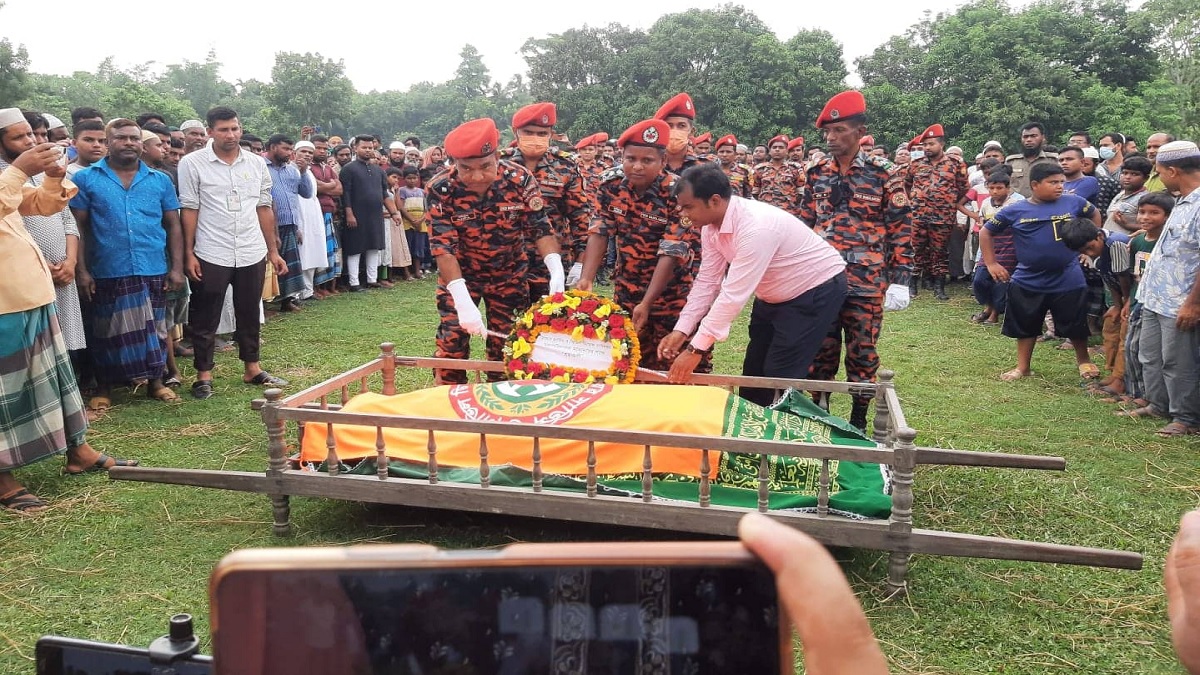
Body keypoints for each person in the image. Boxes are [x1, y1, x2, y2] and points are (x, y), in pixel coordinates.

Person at [0, 109, 138, 514]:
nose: (30, 142)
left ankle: (78, 451)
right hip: (4, 304)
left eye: (32, 135)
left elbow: (39, 206)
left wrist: (54, 176)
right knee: (7, 394)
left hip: (32, 294)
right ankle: (4, 479)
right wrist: (21, 169)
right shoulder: (9, 174)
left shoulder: (11, 175)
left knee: (55, 382)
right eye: (20, 137)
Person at [659, 163, 848, 407]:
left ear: (714, 201)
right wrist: (682, 330)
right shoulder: (710, 226)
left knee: (778, 374)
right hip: (772, 293)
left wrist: (695, 350)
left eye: (688, 206)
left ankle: (778, 439)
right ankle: (750, 434)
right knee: (753, 373)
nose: (682, 213)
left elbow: (732, 296)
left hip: (814, 289)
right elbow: (707, 281)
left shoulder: (756, 227)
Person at [799, 90, 912, 430]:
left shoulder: (884, 173)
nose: (832, 138)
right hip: (822, 278)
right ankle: (819, 415)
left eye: (840, 131)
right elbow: (804, 224)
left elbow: (900, 227)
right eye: (828, 133)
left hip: (865, 280)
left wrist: (901, 280)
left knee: (863, 353)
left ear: (860, 131)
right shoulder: (816, 172)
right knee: (820, 351)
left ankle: (859, 423)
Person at [428, 118, 562, 383]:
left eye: (485, 167)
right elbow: (443, 247)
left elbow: (540, 228)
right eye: (466, 168)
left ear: (497, 156)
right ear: (453, 163)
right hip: (460, 278)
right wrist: (463, 300)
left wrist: (555, 267)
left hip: (508, 277)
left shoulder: (519, 179)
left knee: (507, 349)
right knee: (452, 345)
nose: (476, 176)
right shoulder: (441, 188)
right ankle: (446, 405)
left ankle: (501, 407)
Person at [70, 119, 185, 407]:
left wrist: (177, 268)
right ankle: (104, 389)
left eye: (134, 138)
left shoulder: (160, 180)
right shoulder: (86, 179)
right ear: (109, 142)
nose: (129, 143)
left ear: (141, 143)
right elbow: (78, 228)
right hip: (106, 267)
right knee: (106, 331)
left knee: (155, 329)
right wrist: (81, 270)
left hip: (152, 265)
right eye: (121, 138)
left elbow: (173, 225)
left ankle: (155, 383)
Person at [178, 106, 289, 400]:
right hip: (211, 249)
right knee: (206, 314)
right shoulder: (192, 163)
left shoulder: (255, 163)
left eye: (235, 128)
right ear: (210, 131)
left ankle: (252, 368)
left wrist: (272, 251)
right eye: (224, 129)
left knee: (250, 311)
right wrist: (188, 253)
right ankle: (204, 375)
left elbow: (264, 207)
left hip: (251, 249)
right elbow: (190, 208)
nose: (231, 135)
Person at [575, 119, 702, 373]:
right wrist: (586, 278)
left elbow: (672, 251)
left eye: (647, 160)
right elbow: (600, 231)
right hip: (627, 288)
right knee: (629, 360)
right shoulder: (610, 187)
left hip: (673, 292)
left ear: (663, 161)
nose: (637, 166)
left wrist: (647, 302)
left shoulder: (679, 191)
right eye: (631, 158)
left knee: (671, 362)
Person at [979, 162, 1102, 382]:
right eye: (1053, 182)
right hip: (1028, 277)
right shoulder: (1015, 210)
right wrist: (991, 263)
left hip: (1068, 275)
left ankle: (1083, 360)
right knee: (1026, 323)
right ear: (1035, 185)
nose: (1059, 187)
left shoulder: (1074, 202)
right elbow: (986, 232)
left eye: (1061, 182)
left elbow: (1094, 215)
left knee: (1075, 322)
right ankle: (1023, 367)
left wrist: (1088, 249)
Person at [1134, 140, 1200, 437]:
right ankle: (1157, 403)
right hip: (1154, 296)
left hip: (1180, 301)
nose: (1159, 178)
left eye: (1160, 172)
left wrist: (1193, 303)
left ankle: (1185, 418)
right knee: (1151, 355)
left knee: (1179, 361)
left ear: (1173, 171)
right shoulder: (1183, 201)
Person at [500, 102, 593, 298]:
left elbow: (581, 219)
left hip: (553, 263)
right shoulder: (499, 166)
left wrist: (580, 263)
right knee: (507, 325)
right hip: (507, 263)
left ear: (551, 134)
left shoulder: (565, 167)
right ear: (515, 132)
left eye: (542, 134)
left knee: (548, 323)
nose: (535, 138)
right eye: (529, 132)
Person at [1114, 192, 1173, 416]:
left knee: (1146, 350)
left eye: (1154, 213)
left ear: (1168, 217)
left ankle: (1147, 396)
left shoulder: (1165, 242)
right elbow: (1131, 275)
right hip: (1138, 299)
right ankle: (1136, 392)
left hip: (1157, 301)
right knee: (1131, 347)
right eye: (1142, 212)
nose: (1145, 217)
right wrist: (1127, 300)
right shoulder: (1137, 240)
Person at [1060, 218, 1132, 396]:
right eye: (1083, 251)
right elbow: (1109, 278)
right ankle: (1114, 373)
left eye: (1089, 248)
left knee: (1125, 334)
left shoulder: (1116, 244)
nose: (1088, 253)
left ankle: (1121, 380)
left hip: (1134, 295)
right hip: (1121, 297)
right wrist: (1116, 306)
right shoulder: (1097, 252)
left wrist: (1126, 302)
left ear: (1099, 235)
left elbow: (1124, 277)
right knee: (1110, 324)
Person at [904, 123, 970, 300]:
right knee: (916, 250)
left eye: (931, 144)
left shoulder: (955, 164)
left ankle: (938, 287)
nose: (927, 148)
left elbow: (964, 188)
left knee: (940, 252)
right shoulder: (916, 164)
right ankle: (912, 285)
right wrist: (914, 201)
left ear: (941, 144)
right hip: (918, 216)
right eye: (925, 144)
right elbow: (907, 185)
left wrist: (947, 200)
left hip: (943, 216)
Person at [341, 135, 403, 291]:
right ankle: (354, 282)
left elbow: (384, 194)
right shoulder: (348, 169)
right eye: (364, 147)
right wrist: (349, 213)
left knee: (374, 246)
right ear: (355, 148)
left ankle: (372, 279)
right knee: (355, 247)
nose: (368, 150)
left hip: (375, 214)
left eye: (370, 147)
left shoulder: (378, 171)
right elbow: (345, 193)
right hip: (356, 214)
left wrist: (394, 213)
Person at [265, 134, 313, 310]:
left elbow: (306, 193)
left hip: (290, 223)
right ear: (272, 147)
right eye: (285, 149)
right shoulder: (261, 167)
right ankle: (264, 303)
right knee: (267, 264)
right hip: (268, 223)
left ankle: (287, 300)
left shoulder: (292, 169)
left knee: (289, 265)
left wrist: (304, 171)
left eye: (291, 149)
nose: (289, 153)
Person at [970, 171, 1023, 325]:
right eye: (991, 188)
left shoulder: (1016, 204)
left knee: (1000, 282)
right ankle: (988, 307)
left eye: (999, 188)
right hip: (990, 247)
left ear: (1008, 188)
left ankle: (994, 314)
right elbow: (982, 223)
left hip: (1009, 248)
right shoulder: (986, 203)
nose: (995, 191)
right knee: (979, 280)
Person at [308, 135, 343, 298]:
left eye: (325, 148)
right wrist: (329, 185)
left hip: (328, 212)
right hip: (313, 213)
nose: (322, 151)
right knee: (314, 249)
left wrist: (324, 187)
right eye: (318, 148)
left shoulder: (327, 168)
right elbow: (313, 187)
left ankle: (324, 285)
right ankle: (313, 288)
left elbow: (339, 190)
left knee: (328, 250)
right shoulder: (306, 167)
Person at [752, 134, 806, 215]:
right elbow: (755, 192)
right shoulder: (759, 169)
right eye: (774, 147)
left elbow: (801, 193)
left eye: (781, 147)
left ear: (787, 151)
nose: (777, 150)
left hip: (788, 212)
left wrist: (789, 204)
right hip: (765, 213)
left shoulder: (795, 169)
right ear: (769, 151)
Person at [1005, 122, 1059, 197]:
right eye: (1025, 137)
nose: (1029, 140)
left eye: (1033, 136)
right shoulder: (1011, 161)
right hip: (1017, 206)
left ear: (1043, 137)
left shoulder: (1053, 160)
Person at [653, 93, 702, 174]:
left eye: (681, 126)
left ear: (691, 131)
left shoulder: (703, 169)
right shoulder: (650, 167)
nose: (675, 131)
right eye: (669, 126)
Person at [1103, 156, 1152, 234]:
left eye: (1134, 174)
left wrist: (1127, 225)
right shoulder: (1120, 195)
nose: (1127, 177)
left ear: (1146, 178)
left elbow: (1153, 227)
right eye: (1125, 173)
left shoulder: (1146, 199)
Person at [397, 166, 427, 280]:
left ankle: (417, 271)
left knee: (419, 246)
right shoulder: (402, 191)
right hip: (407, 222)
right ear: (404, 179)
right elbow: (401, 207)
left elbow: (426, 208)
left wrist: (420, 220)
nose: (412, 180)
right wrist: (412, 219)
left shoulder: (422, 192)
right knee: (407, 246)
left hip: (420, 222)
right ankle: (407, 272)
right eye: (409, 178)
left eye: (414, 178)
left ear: (418, 178)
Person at [714, 134, 753, 199]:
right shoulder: (710, 170)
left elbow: (747, 195)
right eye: (721, 152)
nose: (724, 155)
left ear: (735, 154)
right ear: (717, 153)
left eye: (728, 152)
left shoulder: (744, 171)